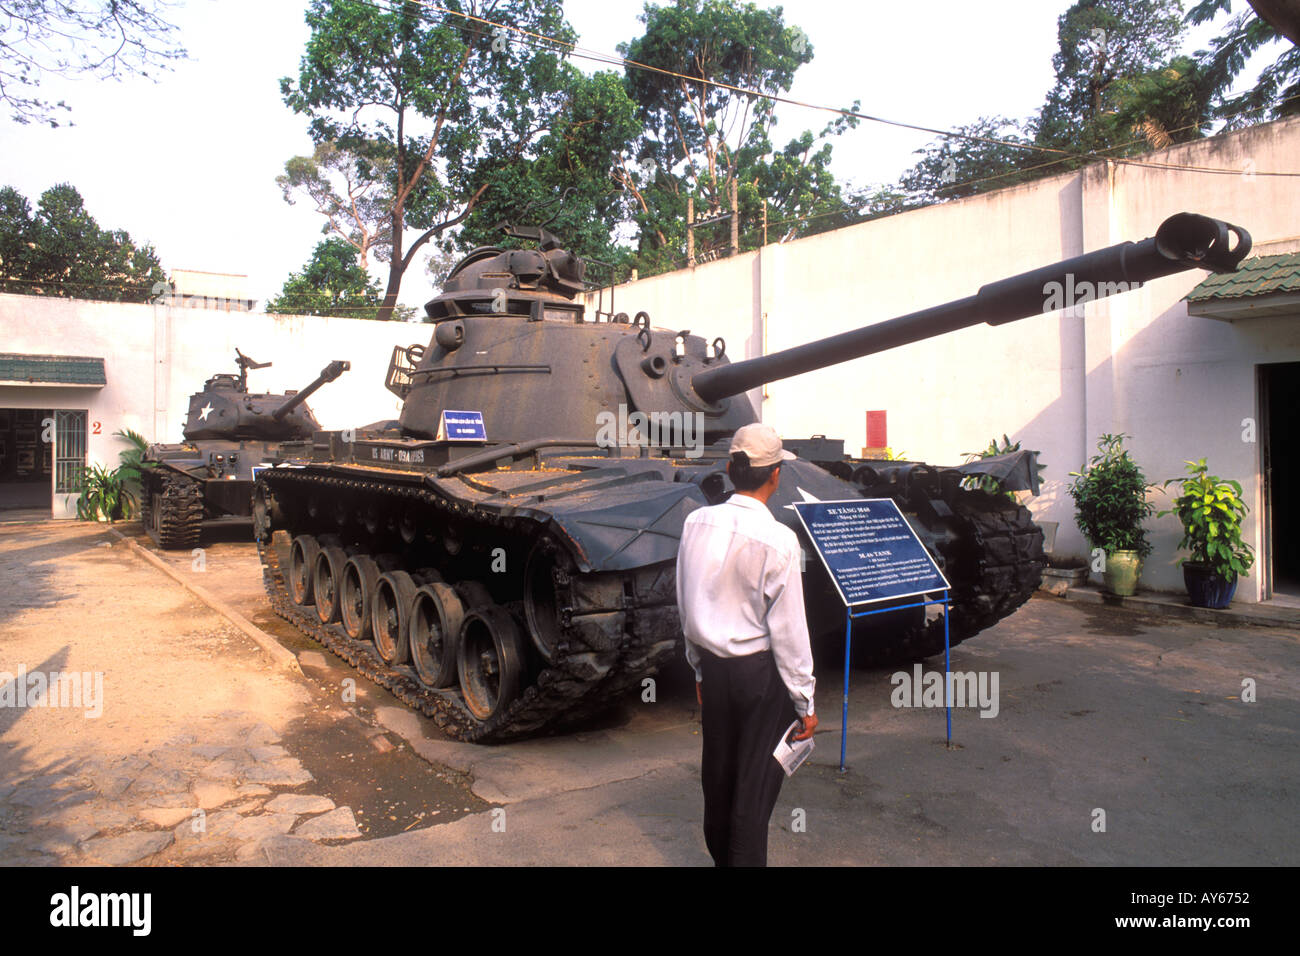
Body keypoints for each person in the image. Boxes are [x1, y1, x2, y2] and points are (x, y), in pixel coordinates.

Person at [676, 422, 817, 867]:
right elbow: (790, 630)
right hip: (759, 676)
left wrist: (698, 668)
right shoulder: (779, 540)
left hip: (716, 673)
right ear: (775, 474)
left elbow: (686, 600)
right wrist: (805, 700)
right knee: (752, 792)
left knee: (718, 775)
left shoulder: (695, 521)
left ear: (728, 468)